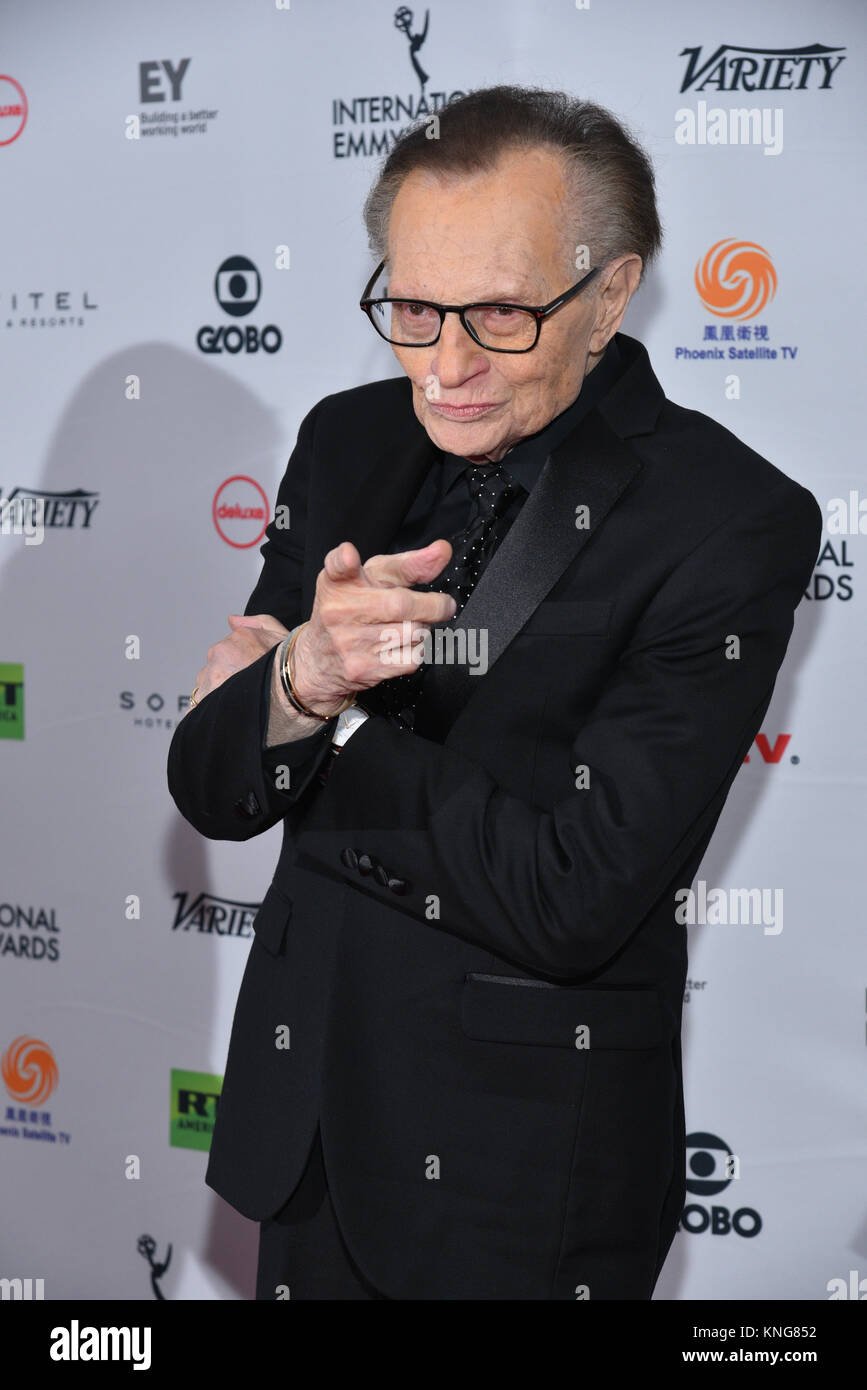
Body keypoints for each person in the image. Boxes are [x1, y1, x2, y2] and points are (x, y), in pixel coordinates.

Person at [167, 86, 821, 1300]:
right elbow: (215, 789)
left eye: (504, 314)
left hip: (520, 1181)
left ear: (611, 294)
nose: (446, 363)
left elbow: (574, 892)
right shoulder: (346, 439)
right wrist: (291, 686)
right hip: (303, 1136)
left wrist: (327, 710)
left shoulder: (729, 521)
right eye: (413, 306)